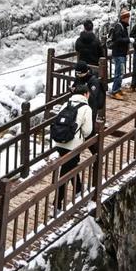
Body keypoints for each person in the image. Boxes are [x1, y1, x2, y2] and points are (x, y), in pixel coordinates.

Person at [54, 80, 93, 209]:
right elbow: (87, 131)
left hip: (59, 141)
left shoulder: (66, 103)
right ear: (86, 94)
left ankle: (78, 190)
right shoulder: (86, 108)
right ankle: (57, 204)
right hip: (73, 145)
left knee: (70, 166)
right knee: (66, 172)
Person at [74, 60, 106, 133]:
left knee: (89, 126)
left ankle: (90, 141)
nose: (78, 75)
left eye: (80, 73)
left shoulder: (94, 80)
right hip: (78, 105)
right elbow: (75, 86)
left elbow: (93, 96)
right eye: (77, 73)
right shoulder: (78, 78)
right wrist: (73, 90)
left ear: (85, 72)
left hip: (90, 107)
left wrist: (81, 92)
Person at [109, 8, 131, 100]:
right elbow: (117, 40)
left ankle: (117, 89)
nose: (129, 19)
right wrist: (128, 40)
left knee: (120, 72)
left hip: (121, 53)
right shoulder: (119, 26)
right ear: (123, 18)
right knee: (119, 72)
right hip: (118, 54)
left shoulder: (123, 26)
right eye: (127, 17)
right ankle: (115, 91)